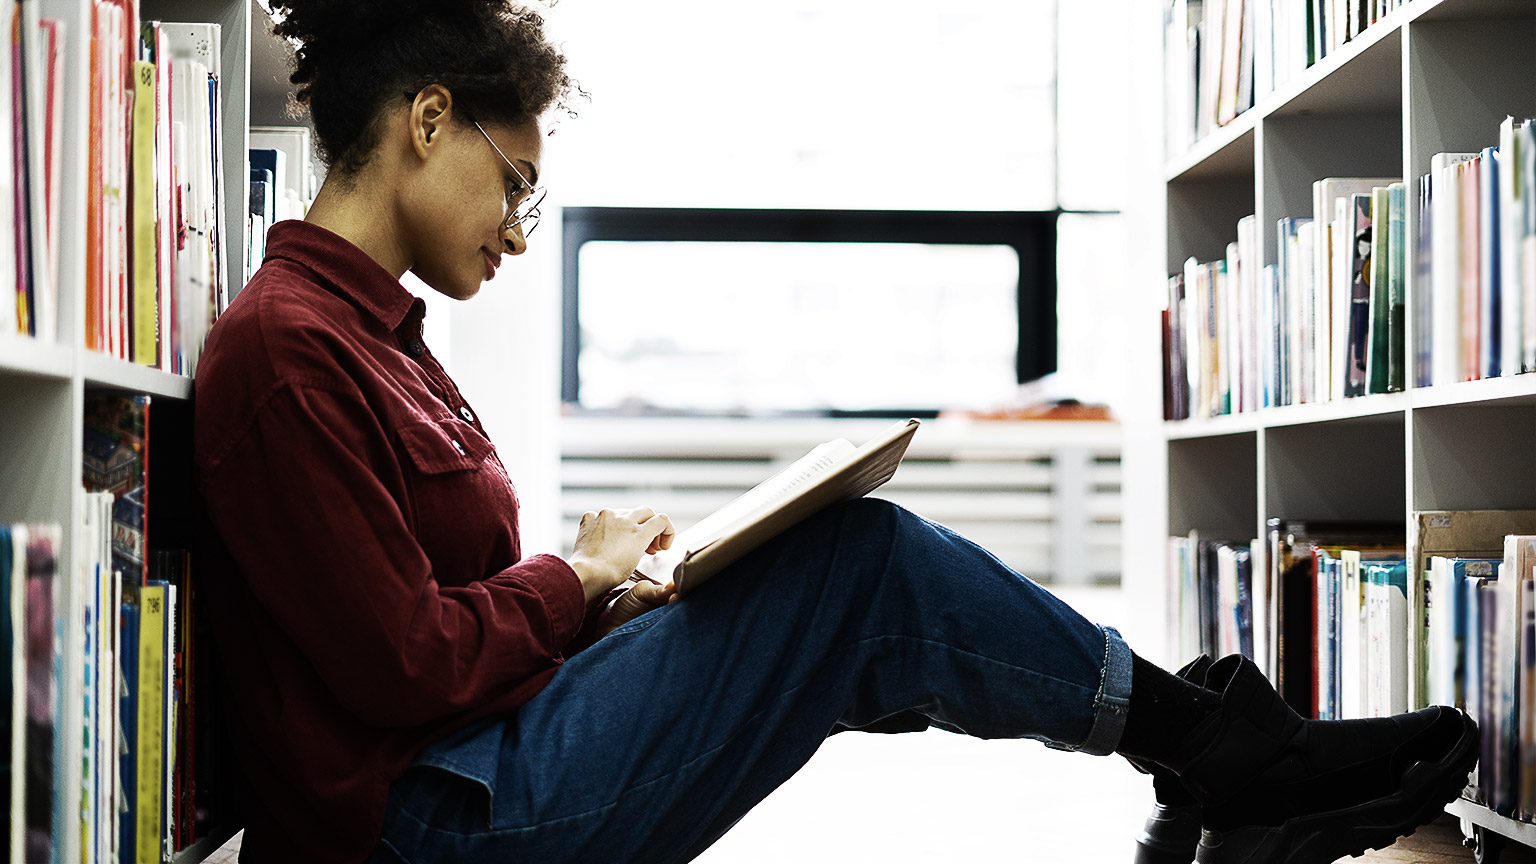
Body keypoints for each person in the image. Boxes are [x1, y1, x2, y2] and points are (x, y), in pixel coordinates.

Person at [190, 2, 1479, 863]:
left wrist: (610, 607)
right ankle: (1222, 754)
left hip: (482, 757)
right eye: (516, 185)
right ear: (426, 122)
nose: (522, 229)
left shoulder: (381, 340)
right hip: (438, 821)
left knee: (830, 577)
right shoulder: (288, 353)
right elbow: (404, 663)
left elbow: (431, 621)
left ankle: (1214, 758)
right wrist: (569, 577)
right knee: (860, 572)